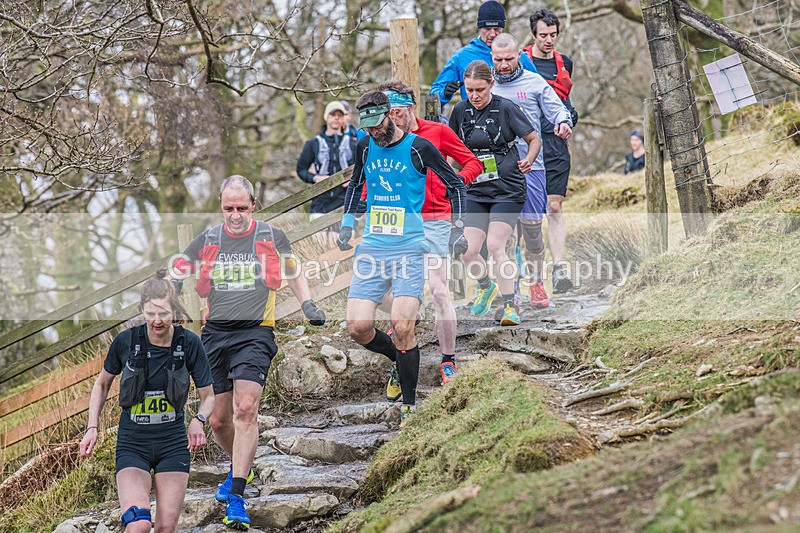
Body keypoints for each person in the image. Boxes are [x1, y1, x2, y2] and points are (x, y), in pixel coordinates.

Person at [171, 175, 326, 530]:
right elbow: (179, 265)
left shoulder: (271, 236)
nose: (235, 215)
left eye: (242, 207)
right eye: (229, 208)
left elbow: (294, 271)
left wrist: (308, 304)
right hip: (215, 335)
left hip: (256, 332)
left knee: (245, 409)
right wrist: (173, 284)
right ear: (221, 207)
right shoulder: (210, 238)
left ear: (253, 205)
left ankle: (238, 496)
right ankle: (241, 465)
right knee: (218, 420)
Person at [336, 90, 467, 423]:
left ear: (390, 115)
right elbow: (354, 183)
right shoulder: (365, 145)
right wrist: (347, 223)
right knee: (358, 326)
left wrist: (459, 227)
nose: (372, 132)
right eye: (366, 126)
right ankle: (400, 357)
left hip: (410, 246)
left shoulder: (420, 148)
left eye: (376, 125)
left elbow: (454, 184)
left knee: (402, 323)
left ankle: (409, 404)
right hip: (373, 246)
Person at [79, 270, 215, 533]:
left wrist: (199, 420)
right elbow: (101, 384)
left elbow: (209, 396)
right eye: (150, 314)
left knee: (165, 528)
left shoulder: (189, 344)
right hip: (133, 443)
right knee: (139, 523)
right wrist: (92, 427)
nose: (157, 321)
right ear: (142, 310)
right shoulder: (126, 342)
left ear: (173, 310)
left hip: (172, 443)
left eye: (163, 314)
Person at [372, 80, 483, 387]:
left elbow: (472, 162)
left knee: (438, 290)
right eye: (389, 113)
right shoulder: (381, 140)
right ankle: (409, 328)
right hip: (396, 222)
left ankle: (448, 360)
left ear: (412, 108)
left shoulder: (437, 133)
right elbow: (372, 179)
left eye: (400, 112)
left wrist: (454, 183)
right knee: (378, 292)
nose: (395, 119)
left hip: (435, 220)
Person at [449, 60, 542, 327]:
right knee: (467, 251)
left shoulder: (506, 108)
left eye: (480, 89)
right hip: (475, 190)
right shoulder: (460, 111)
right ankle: (485, 285)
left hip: (507, 190)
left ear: (491, 84)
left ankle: (510, 305)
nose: (475, 96)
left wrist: (530, 160)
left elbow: (533, 139)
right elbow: (449, 147)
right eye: (469, 90)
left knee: (495, 246)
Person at [490, 33, 573, 311]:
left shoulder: (534, 82)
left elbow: (557, 110)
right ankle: (510, 291)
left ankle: (537, 282)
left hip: (531, 168)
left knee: (532, 232)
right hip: (499, 172)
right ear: (492, 58)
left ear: (519, 56)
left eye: (509, 59)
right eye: (498, 60)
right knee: (505, 234)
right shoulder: (486, 88)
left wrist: (563, 122)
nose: (503, 65)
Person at [521, 8, 579, 294]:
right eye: (543, 35)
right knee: (530, 215)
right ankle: (534, 275)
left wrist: (570, 118)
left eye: (553, 35)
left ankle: (559, 268)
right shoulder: (519, 62)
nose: (548, 40)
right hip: (527, 143)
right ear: (533, 35)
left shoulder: (564, 62)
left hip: (555, 144)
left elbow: (566, 101)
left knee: (554, 207)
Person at [431, 1, 537, 109]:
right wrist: (444, 94)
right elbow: (432, 99)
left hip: (511, 120)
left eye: (496, 29)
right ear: (480, 27)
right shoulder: (460, 57)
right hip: (474, 121)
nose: (492, 34)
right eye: (487, 29)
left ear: (502, 28)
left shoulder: (518, 56)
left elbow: (539, 89)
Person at [296, 100, 357, 221]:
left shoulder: (353, 144)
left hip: (344, 202)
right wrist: (315, 178)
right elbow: (300, 169)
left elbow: (362, 169)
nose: (336, 118)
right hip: (320, 202)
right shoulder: (313, 144)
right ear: (326, 117)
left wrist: (353, 180)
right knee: (319, 239)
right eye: (333, 115)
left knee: (342, 239)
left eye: (340, 115)